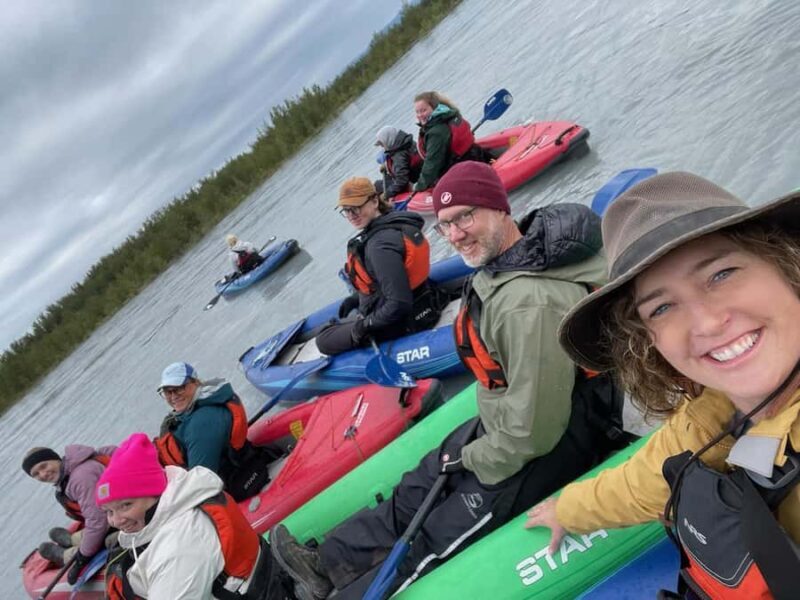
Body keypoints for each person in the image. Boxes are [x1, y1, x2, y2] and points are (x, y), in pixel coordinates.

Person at [271, 161, 628, 599]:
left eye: (466, 216)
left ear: (499, 208)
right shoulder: (506, 260)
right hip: (509, 415)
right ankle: (327, 563)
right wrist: (467, 452)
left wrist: (473, 457)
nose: (455, 234)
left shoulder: (528, 304)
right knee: (422, 479)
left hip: (559, 434)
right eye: (445, 225)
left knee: (436, 536)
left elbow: (536, 432)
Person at [525, 172, 800, 599]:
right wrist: (568, 509)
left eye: (722, 273)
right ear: (647, 340)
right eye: (662, 307)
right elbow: (645, 481)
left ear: (786, 263)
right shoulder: (717, 415)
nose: (707, 323)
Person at [98, 433, 288, 599]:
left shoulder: (178, 548)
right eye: (109, 511)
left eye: (126, 505)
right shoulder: (183, 500)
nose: (116, 521)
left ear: (154, 494)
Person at [315, 177, 442, 356]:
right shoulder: (396, 224)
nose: (351, 215)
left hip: (401, 323)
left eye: (356, 207)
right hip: (423, 300)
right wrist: (356, 299)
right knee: (343, 318)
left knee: (323, 339)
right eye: (346, 210)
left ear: (375, 201)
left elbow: (399, 303)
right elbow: (389, 279)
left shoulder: (379, 246)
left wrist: (364, 326)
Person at [154, 362, 272, 501]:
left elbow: (201, 481)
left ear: (196, 382)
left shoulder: (202, 423)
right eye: (168, 392)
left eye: (179, 388)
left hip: (232, 483)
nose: (173, 396)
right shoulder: (189, 410)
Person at [22, 443, 116, 584]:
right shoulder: (71, 475)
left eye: (44, 466)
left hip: (126, 516)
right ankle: (73, 540)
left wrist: (82, 557)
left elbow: (98, 521)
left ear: (56, 459)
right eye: (35, 474)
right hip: (115, 513)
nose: (42, 474)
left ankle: (66, 555)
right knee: (97, 531)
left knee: (107, 540)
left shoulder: (81, 477)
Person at [412, 91, 488, 193]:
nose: (420, 115)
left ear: (434, 108)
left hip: (463, 169)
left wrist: (419, 186)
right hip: (474, 156)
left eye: (423, 110)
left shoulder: (436, 132)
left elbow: (432, 163)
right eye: (417, 112)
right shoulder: (447, 116)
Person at [374, 126, 422, 201]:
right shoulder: (405, 143)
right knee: (380, 183)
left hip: (411, 183)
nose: (383, 147)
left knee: (377, 186)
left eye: (382, 144)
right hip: (412, 176)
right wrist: (386, 168)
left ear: (388, 139)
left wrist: (387, 194)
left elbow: (402, 181)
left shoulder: (399, 155)